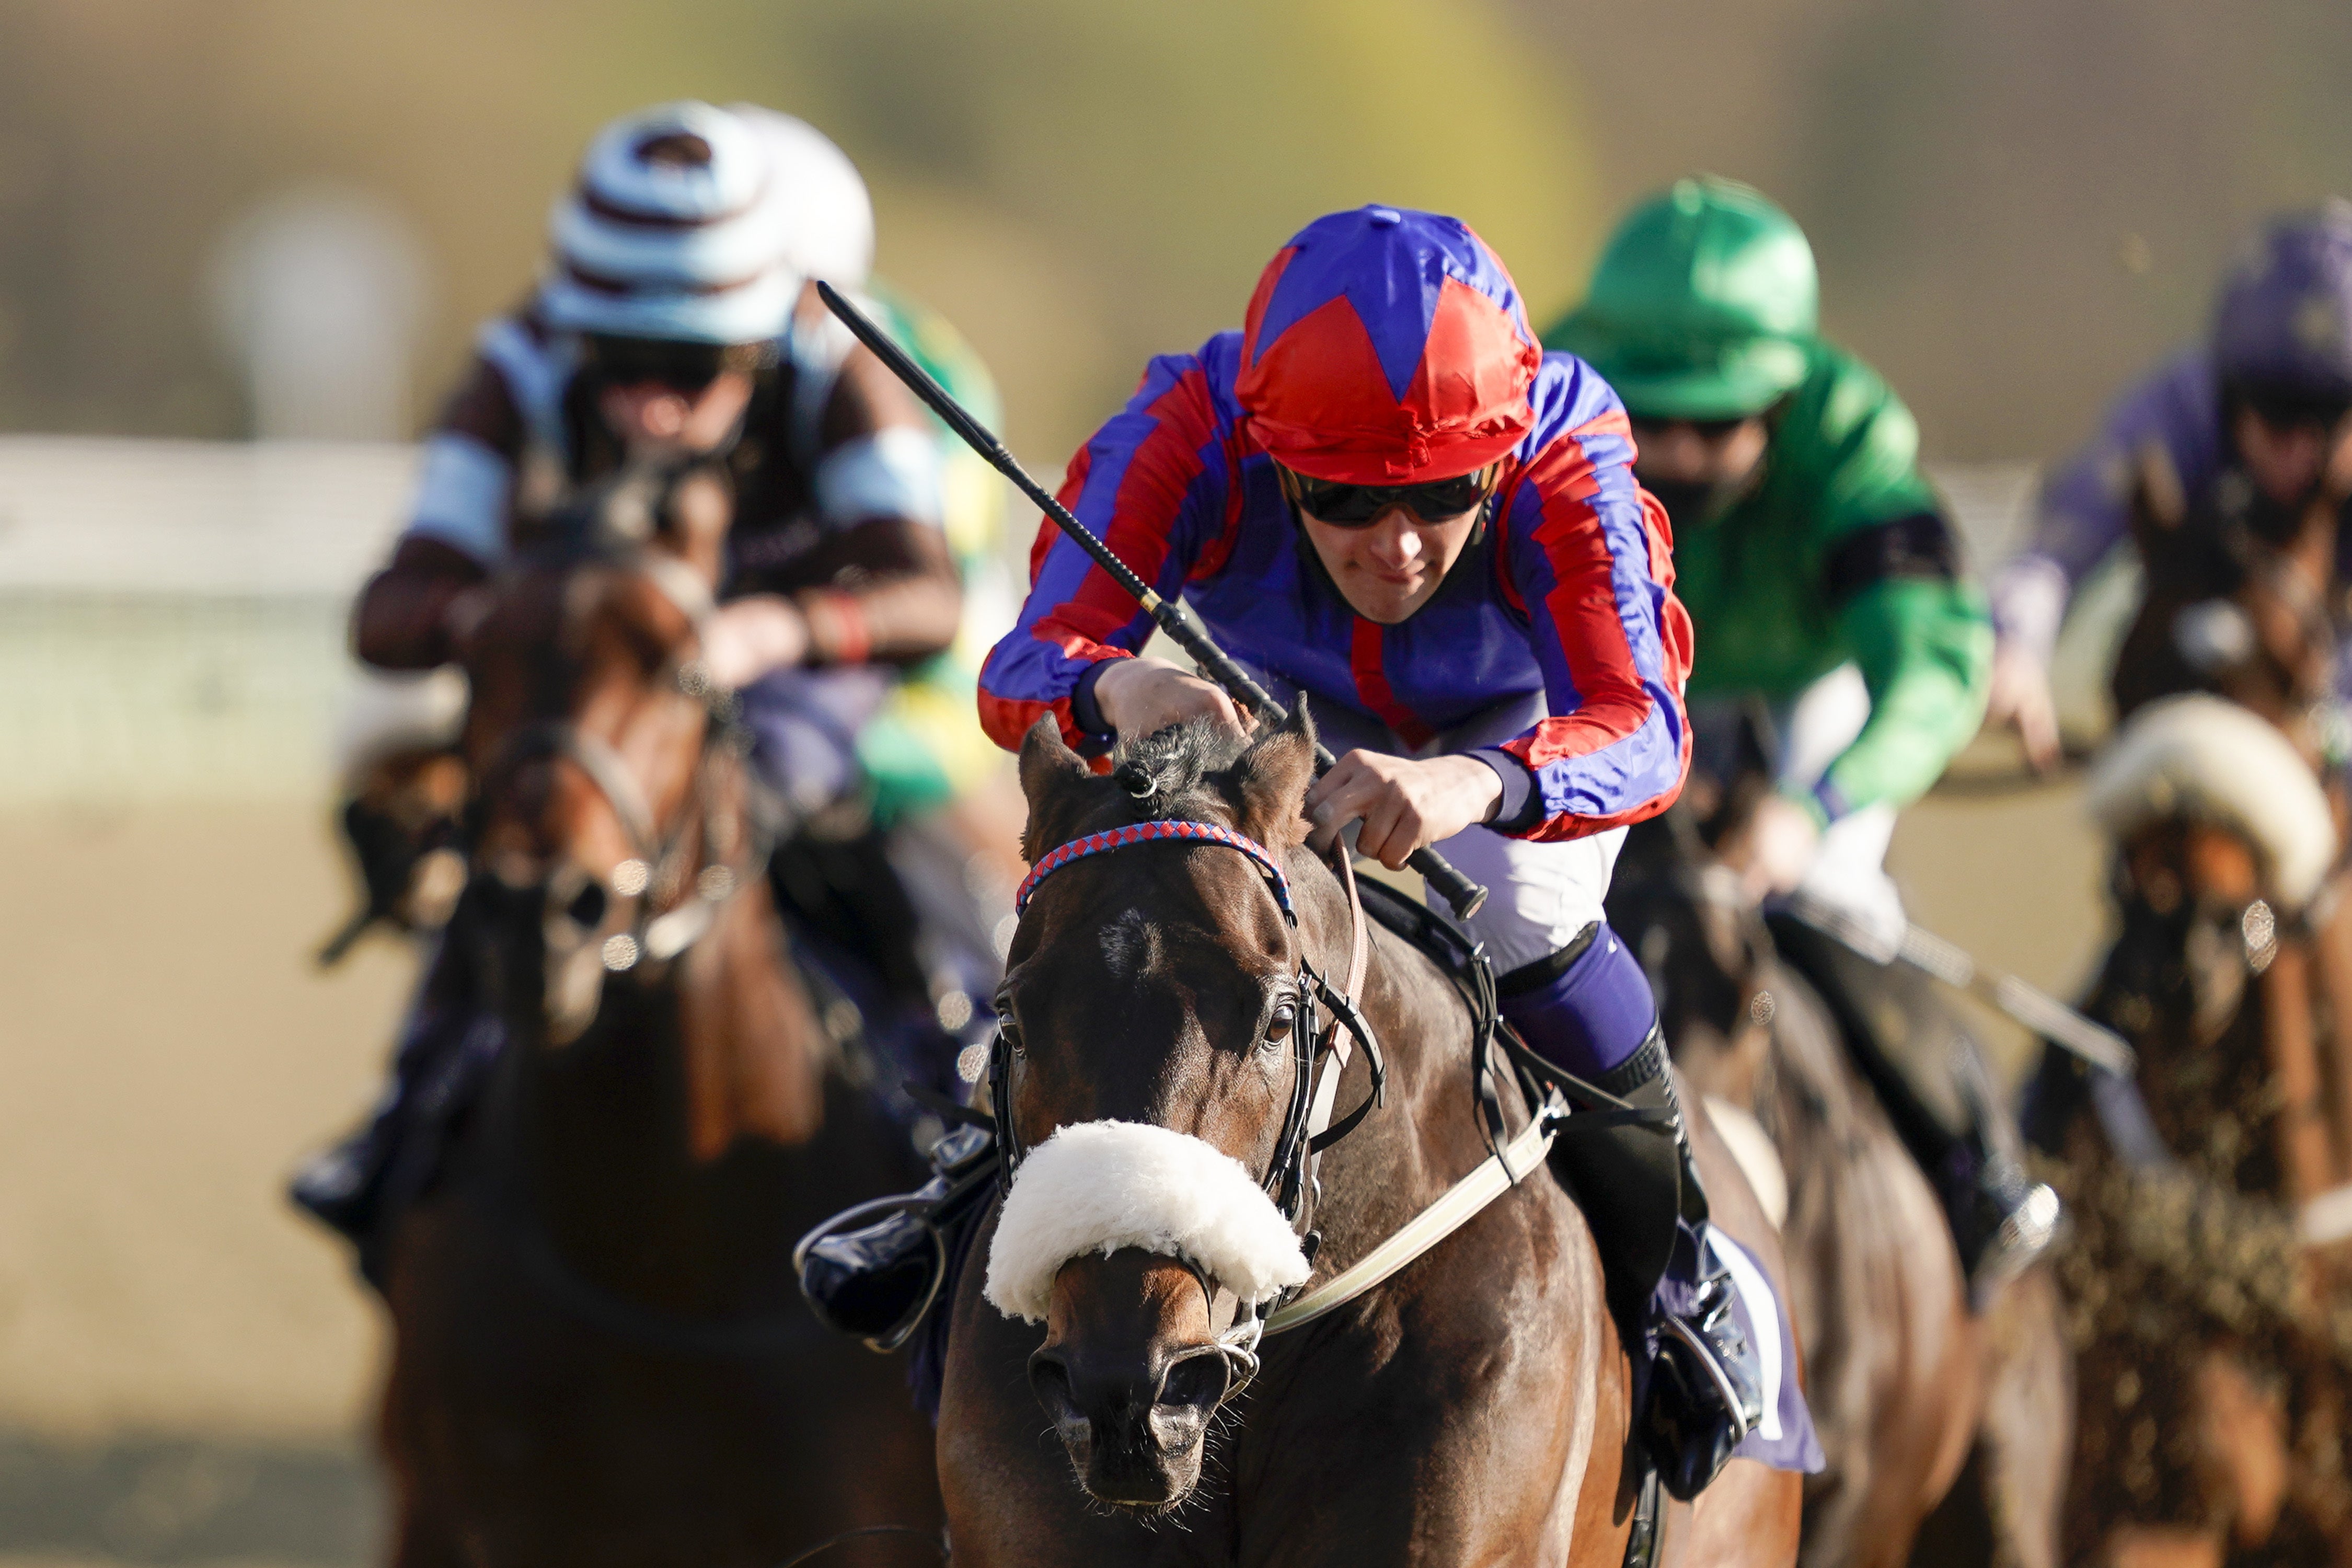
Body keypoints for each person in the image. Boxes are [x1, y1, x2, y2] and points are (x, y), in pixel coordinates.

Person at [811, 204, 1820, 1498]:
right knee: (1119, 908)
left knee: (1522, 916)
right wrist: (1117, 688)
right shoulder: (1187, 419)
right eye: (1344, 498)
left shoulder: (1565, 441)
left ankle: (1673, 1265)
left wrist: (1478, 781)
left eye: (1445, 495)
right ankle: (962, 1192)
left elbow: (1639, 723)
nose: (1397, 545)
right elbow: (1023, 662)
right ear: (1273, 452)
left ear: (1495, 457)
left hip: (1505, 732)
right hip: (1265, 704)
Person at [291, 100, 972, 1253]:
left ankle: (960, 1095)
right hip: (587, 678)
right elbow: (390, 612)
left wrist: (771, 632)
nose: (652, 404)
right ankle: (408, 1109)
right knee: (519, 854)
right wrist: (494, 614)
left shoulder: (838, 361)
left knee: (837, 824)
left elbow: (928, 594)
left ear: (762, 334)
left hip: (784, 674)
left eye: (692, 367)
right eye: (622, 363)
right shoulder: (517, 364)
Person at [1543, 177, 2059, 1304]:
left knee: (1824, 896)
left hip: (1799, 695)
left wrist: (1818, 804)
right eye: (1651, 416)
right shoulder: (1543, 392)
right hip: (1612, 683)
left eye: (1714, 422)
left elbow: (1931, 661)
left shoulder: (1851, 441)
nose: (1674, 452)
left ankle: (1975, 1162)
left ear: (1782, 399)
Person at [1985, 202, 2352, 764]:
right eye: (2275, 413)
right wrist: (2014, 648)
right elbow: (2056, 552)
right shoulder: (2178, 411)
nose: (2296, 449)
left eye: (2324, 417)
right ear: (2232, 388)